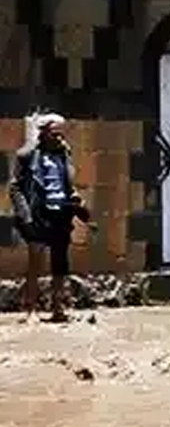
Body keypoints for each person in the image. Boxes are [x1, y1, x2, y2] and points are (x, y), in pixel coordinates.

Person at [8, 112, 89, 323]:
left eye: (62, 134)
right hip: (38, 214)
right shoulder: (26, 155)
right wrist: (25, 216)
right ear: (43, 133)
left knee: (60, 264)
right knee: (35, 262)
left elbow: (66, 182)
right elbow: (15, 187)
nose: (60, 138)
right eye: (55, 134)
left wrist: (75, 199)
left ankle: (58, 308)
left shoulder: (64, 152)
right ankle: (31, 310)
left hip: (61, 213)